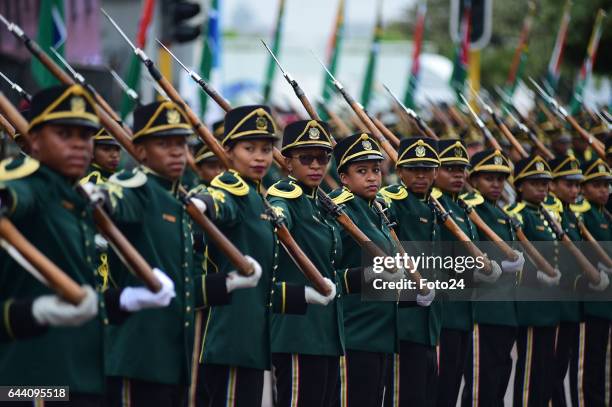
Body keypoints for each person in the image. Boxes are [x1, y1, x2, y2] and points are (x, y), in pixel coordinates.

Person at [0, 84, 169, 406]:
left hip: (82, 380)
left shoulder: (76, 200)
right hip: (30, 387)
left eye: (85, 135)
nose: (79, 145)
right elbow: (12, 195)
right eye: (65, 134)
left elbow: (80, 304)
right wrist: (31, 313)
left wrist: (125, 300)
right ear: (34, 140)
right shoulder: (31, 187)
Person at [103, 100, 254, 407]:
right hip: (139, 358)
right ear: (141, 150)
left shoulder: (178, 203)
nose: (176, 151)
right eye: (164, 143)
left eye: (180, 143)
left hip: (176, 358)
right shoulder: (137, 189)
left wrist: (226, 283)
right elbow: (114, 199)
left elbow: (181, 288)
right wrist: (95, 198)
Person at [195, 105, 331, 406]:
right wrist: (201, 204)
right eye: (249, 148)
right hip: (228, 339)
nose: (259, 157)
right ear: (228, 151)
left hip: (252, 343)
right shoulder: (232, 190)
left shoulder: (258, 198)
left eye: (267, 149)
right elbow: (218, 202)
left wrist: (304, 295)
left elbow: (263, 288)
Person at [267, 119, 343, 407]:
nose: (316, 165)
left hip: (326, 333)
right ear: (288, 162)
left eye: (323, 158)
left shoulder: (320, 204)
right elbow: (278, 214)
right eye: (306, 158)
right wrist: (278, 219)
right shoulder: (286, 196)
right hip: (298, 332)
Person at [329, 132, 401, 407]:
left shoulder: (377, 211)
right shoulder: (340, 211)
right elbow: (326, 269)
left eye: (376, 170)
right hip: (354, 332)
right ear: (344, 178)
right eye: (362, 171)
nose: (372, 177)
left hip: (381, 333)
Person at [433, 139, 502, 407]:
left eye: (462, 170)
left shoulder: (461, 208)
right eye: (450, 169)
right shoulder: (436, 206)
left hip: (464, 313)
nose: (458, 175)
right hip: (443, 315)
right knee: (438, 391)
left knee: (452, 388)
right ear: (435, 170)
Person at [460, 149, 524, 406]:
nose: (496, 184)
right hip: (482, 308)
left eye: (500, 179)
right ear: (474, 180)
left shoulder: (502, 215)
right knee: (480, 387)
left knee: (499, 380)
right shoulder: (470, 210)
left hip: (506, 310)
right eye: (489, 179)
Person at [380, 136, 440, 407]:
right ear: (400, 171)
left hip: (430, 324)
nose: (420, 175)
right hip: (403, 322)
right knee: (403, 397)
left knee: (425, 397)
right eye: (413, 168)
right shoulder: (393, 201)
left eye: (427, 169)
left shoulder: (434, 206)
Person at [505, 155, 562, 406]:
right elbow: (514, 257)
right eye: (535, 183)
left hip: (549, 304)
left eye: (545, 183)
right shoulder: (517, 215)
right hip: (530, 302)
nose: (543, 188)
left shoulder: (545, 214)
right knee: (529, 372)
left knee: (545, 371)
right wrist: (534, 275)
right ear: (519, 185)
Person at [570, 157, 612, 406]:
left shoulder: (605, 214)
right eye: (596, 185)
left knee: (605, 364)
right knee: (589, 364)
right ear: (583, 188)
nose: (603, 190)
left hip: (607, 302)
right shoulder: (582, 217)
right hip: (592, 301)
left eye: (606, 185)